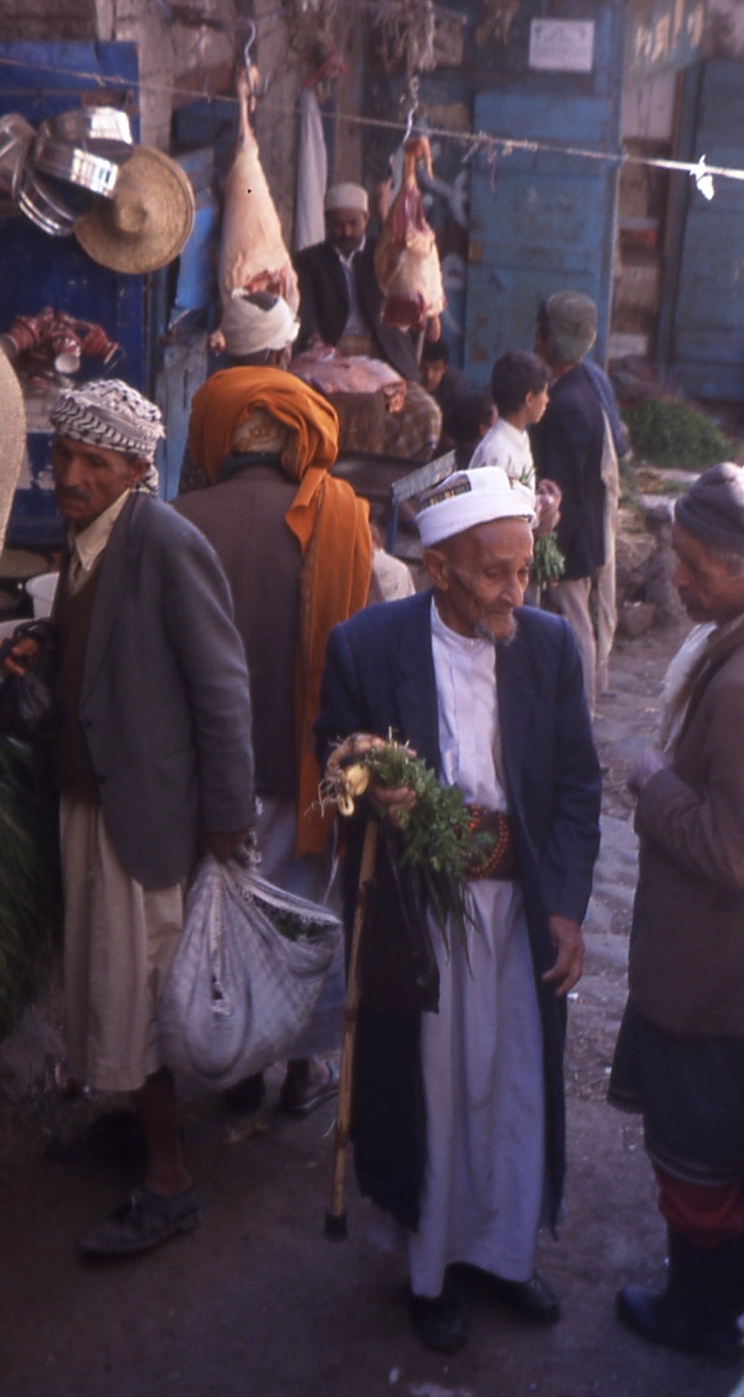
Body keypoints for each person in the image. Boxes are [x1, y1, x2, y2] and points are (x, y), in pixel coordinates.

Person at [316, 466, 602, 1354]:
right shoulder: (365, 646)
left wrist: (565, 909)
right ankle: (431, 1267)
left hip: (518, 909)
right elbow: (336, 770)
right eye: (492, 572)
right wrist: (359, 774)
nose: (514, 589)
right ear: (437, 568)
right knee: (431, 1089)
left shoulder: (549, 646)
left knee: (512, 1080)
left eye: (522, 568)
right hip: (420, 912)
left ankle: (506, 1253)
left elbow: (578, 786)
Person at [8, 378, 256, 1260]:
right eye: (64, 455)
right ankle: (134, 1132)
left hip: (145, 814)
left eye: (93, 462)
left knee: (142, 996)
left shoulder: (164, 542)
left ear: (137, 469)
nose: (70, 474)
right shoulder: (84, 538)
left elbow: (223, 689)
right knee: (108, 985)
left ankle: (167, 1180)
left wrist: (226, 823)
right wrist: (48, 654)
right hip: (91, 802)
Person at [609, 462, 744, 1361]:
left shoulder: (743, 687)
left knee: (699, 1149)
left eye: (699, 564)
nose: (679, 576)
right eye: (677, 554)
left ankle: (698, 1314)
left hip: (715, 967)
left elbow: (731, 851)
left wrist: (653, 785)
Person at [173, 294, 372, 1113]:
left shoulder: (177, 523)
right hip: (310, 767)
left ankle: (236, 1060)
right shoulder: (344, 520)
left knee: (221, 925)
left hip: (209, 776)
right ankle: (301, 1067)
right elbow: (359, 657)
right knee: (300, 916)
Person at [294, 183, 440, 460]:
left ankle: (392, 476)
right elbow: (307, 309)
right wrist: (314, 340)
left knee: (427, 414)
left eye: (353, 223)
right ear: (326, 222)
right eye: (338, 225)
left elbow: (412, 275)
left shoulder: (382, 252)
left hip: (386, 353)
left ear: (366, 219)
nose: (346, 232)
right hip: (335, 356)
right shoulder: (309, 260)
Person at [531, 291, 611, 713]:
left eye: (540, 334)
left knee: (575, 624)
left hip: (569, 539)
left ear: (549, 339)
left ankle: (582, 714)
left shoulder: (566, 404)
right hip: (574, 534)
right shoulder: (578, 388)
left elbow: (564, 491)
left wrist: (551, 551)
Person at [469, 349, 561, 540]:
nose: (547, 399)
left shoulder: (519, 438)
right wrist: (538, 518)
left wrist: (542, 505)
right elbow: (493, 519)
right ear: (529, 399)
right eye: (544, 393)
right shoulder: (497, 451)